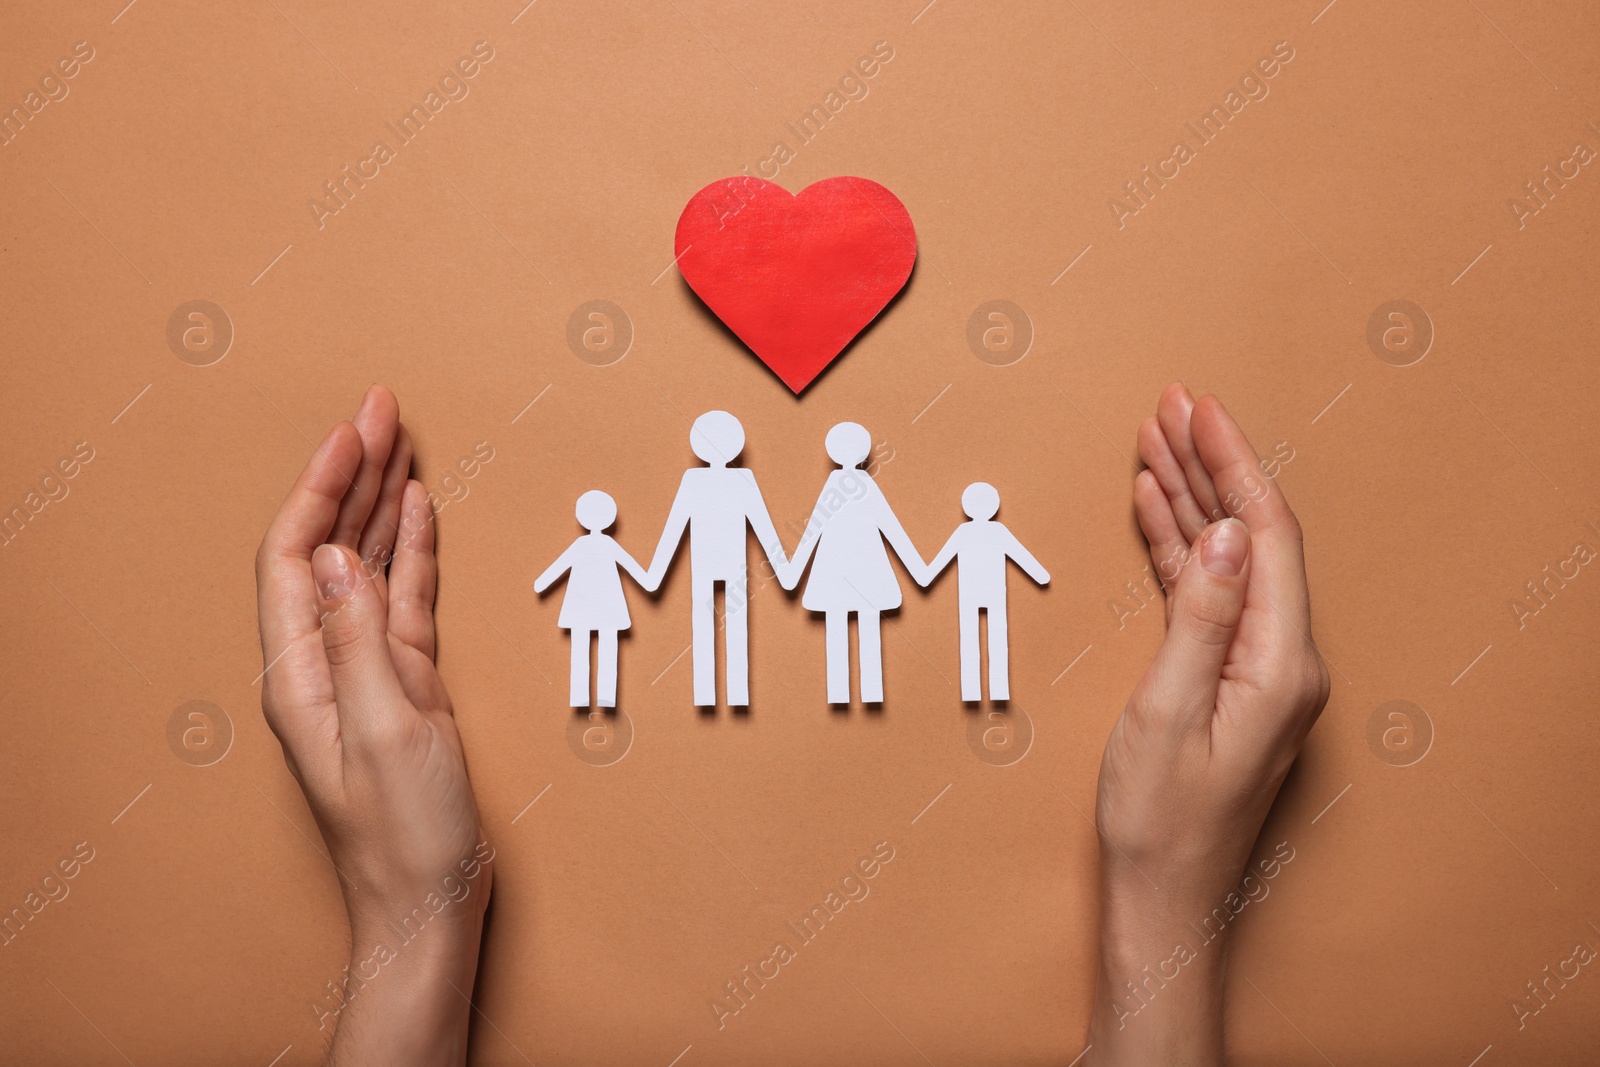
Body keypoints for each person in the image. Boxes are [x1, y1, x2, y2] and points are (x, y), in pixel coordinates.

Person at [254, 383, 1328, 1066]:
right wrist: (1166, 895)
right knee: (720, 646)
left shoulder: (835, 499)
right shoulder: (744, 499)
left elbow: (798, 531)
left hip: (811, 580)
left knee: (788, 642)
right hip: (746, 584)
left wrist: (414, 919)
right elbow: (705, 535)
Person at [646, 410, 788, 707]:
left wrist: (655, 574)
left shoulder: (701, 480)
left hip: (715, 564)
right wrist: (784, 571)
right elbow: (762, 526)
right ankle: (729, 694)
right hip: (725, 563)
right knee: (731, 624)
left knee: (707, 625)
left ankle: (715, 694)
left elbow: (675, 528)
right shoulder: (736, 479)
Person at [780, 421, 928, 704]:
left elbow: (812, 529)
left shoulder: (839, 485)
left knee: (840, 625)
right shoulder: (862, 485)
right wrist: (919, 570)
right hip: (863, 573)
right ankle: (865, 691)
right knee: (866, 624)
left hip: (836, 573)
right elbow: (890, 528)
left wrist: (793, 570)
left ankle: (845, 692)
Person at [921, 481, 1050, 702]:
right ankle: (995, 689)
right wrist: (1040, 575)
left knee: (970, 640)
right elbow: (1021, 555)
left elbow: (939, 562)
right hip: (992, 594)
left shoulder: (965, 532)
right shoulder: (996, 531)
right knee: (996, 639)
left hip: (971, 595)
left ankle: (974, 690)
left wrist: (925, 575)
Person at [534, 489, 653, 708]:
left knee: (581, 649)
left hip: (582, 607)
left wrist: (542, 582)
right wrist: (649, 580)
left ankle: (582, 697)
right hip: (608, 606)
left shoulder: (582, 545)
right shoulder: (607, 544)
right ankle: (604, 697)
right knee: (608, 648)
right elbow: (633, 569)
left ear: (582, 516)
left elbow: (559, 567)